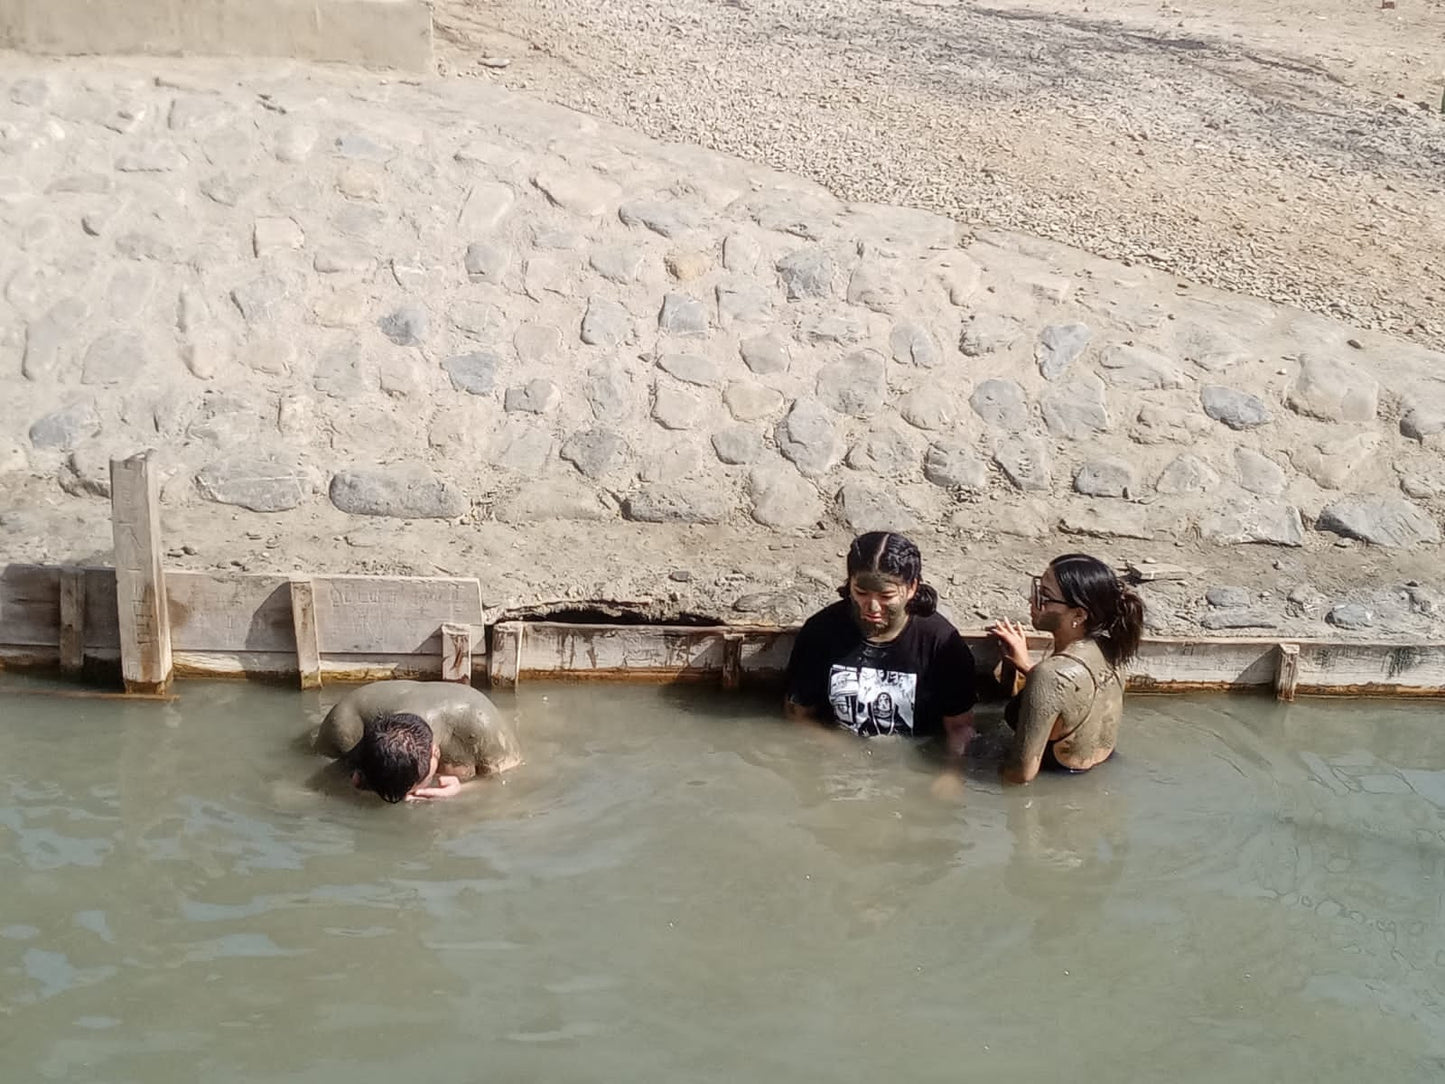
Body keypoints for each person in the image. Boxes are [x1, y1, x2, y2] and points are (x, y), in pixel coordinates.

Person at [784, 531, 976, 751]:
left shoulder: (940, 642)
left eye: (886, 596)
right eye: (861, 592)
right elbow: (797, 714)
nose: (873, 607)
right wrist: (839, 748)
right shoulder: (822, 631)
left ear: (912, 587)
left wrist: (952, 775)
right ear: (850, 583)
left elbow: (960, 727)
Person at [988, 553, 1144, 784]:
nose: (1033, 602)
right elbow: (1072, 702)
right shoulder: (1112, 648)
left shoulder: (1051, 674)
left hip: (1056, 787)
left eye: (1045, 596)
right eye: (1037, 589)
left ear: (1078, 615)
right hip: (1098, 772)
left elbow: (1020, 774)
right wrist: (1025, 667)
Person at [312, 680, 521, 803]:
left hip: (464, 707)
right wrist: (355, 790)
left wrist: (462, 791)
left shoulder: (481, 723)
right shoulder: (344, 725)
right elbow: (321, 781)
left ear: (434, 753)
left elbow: (514, 779)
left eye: (414, 790)